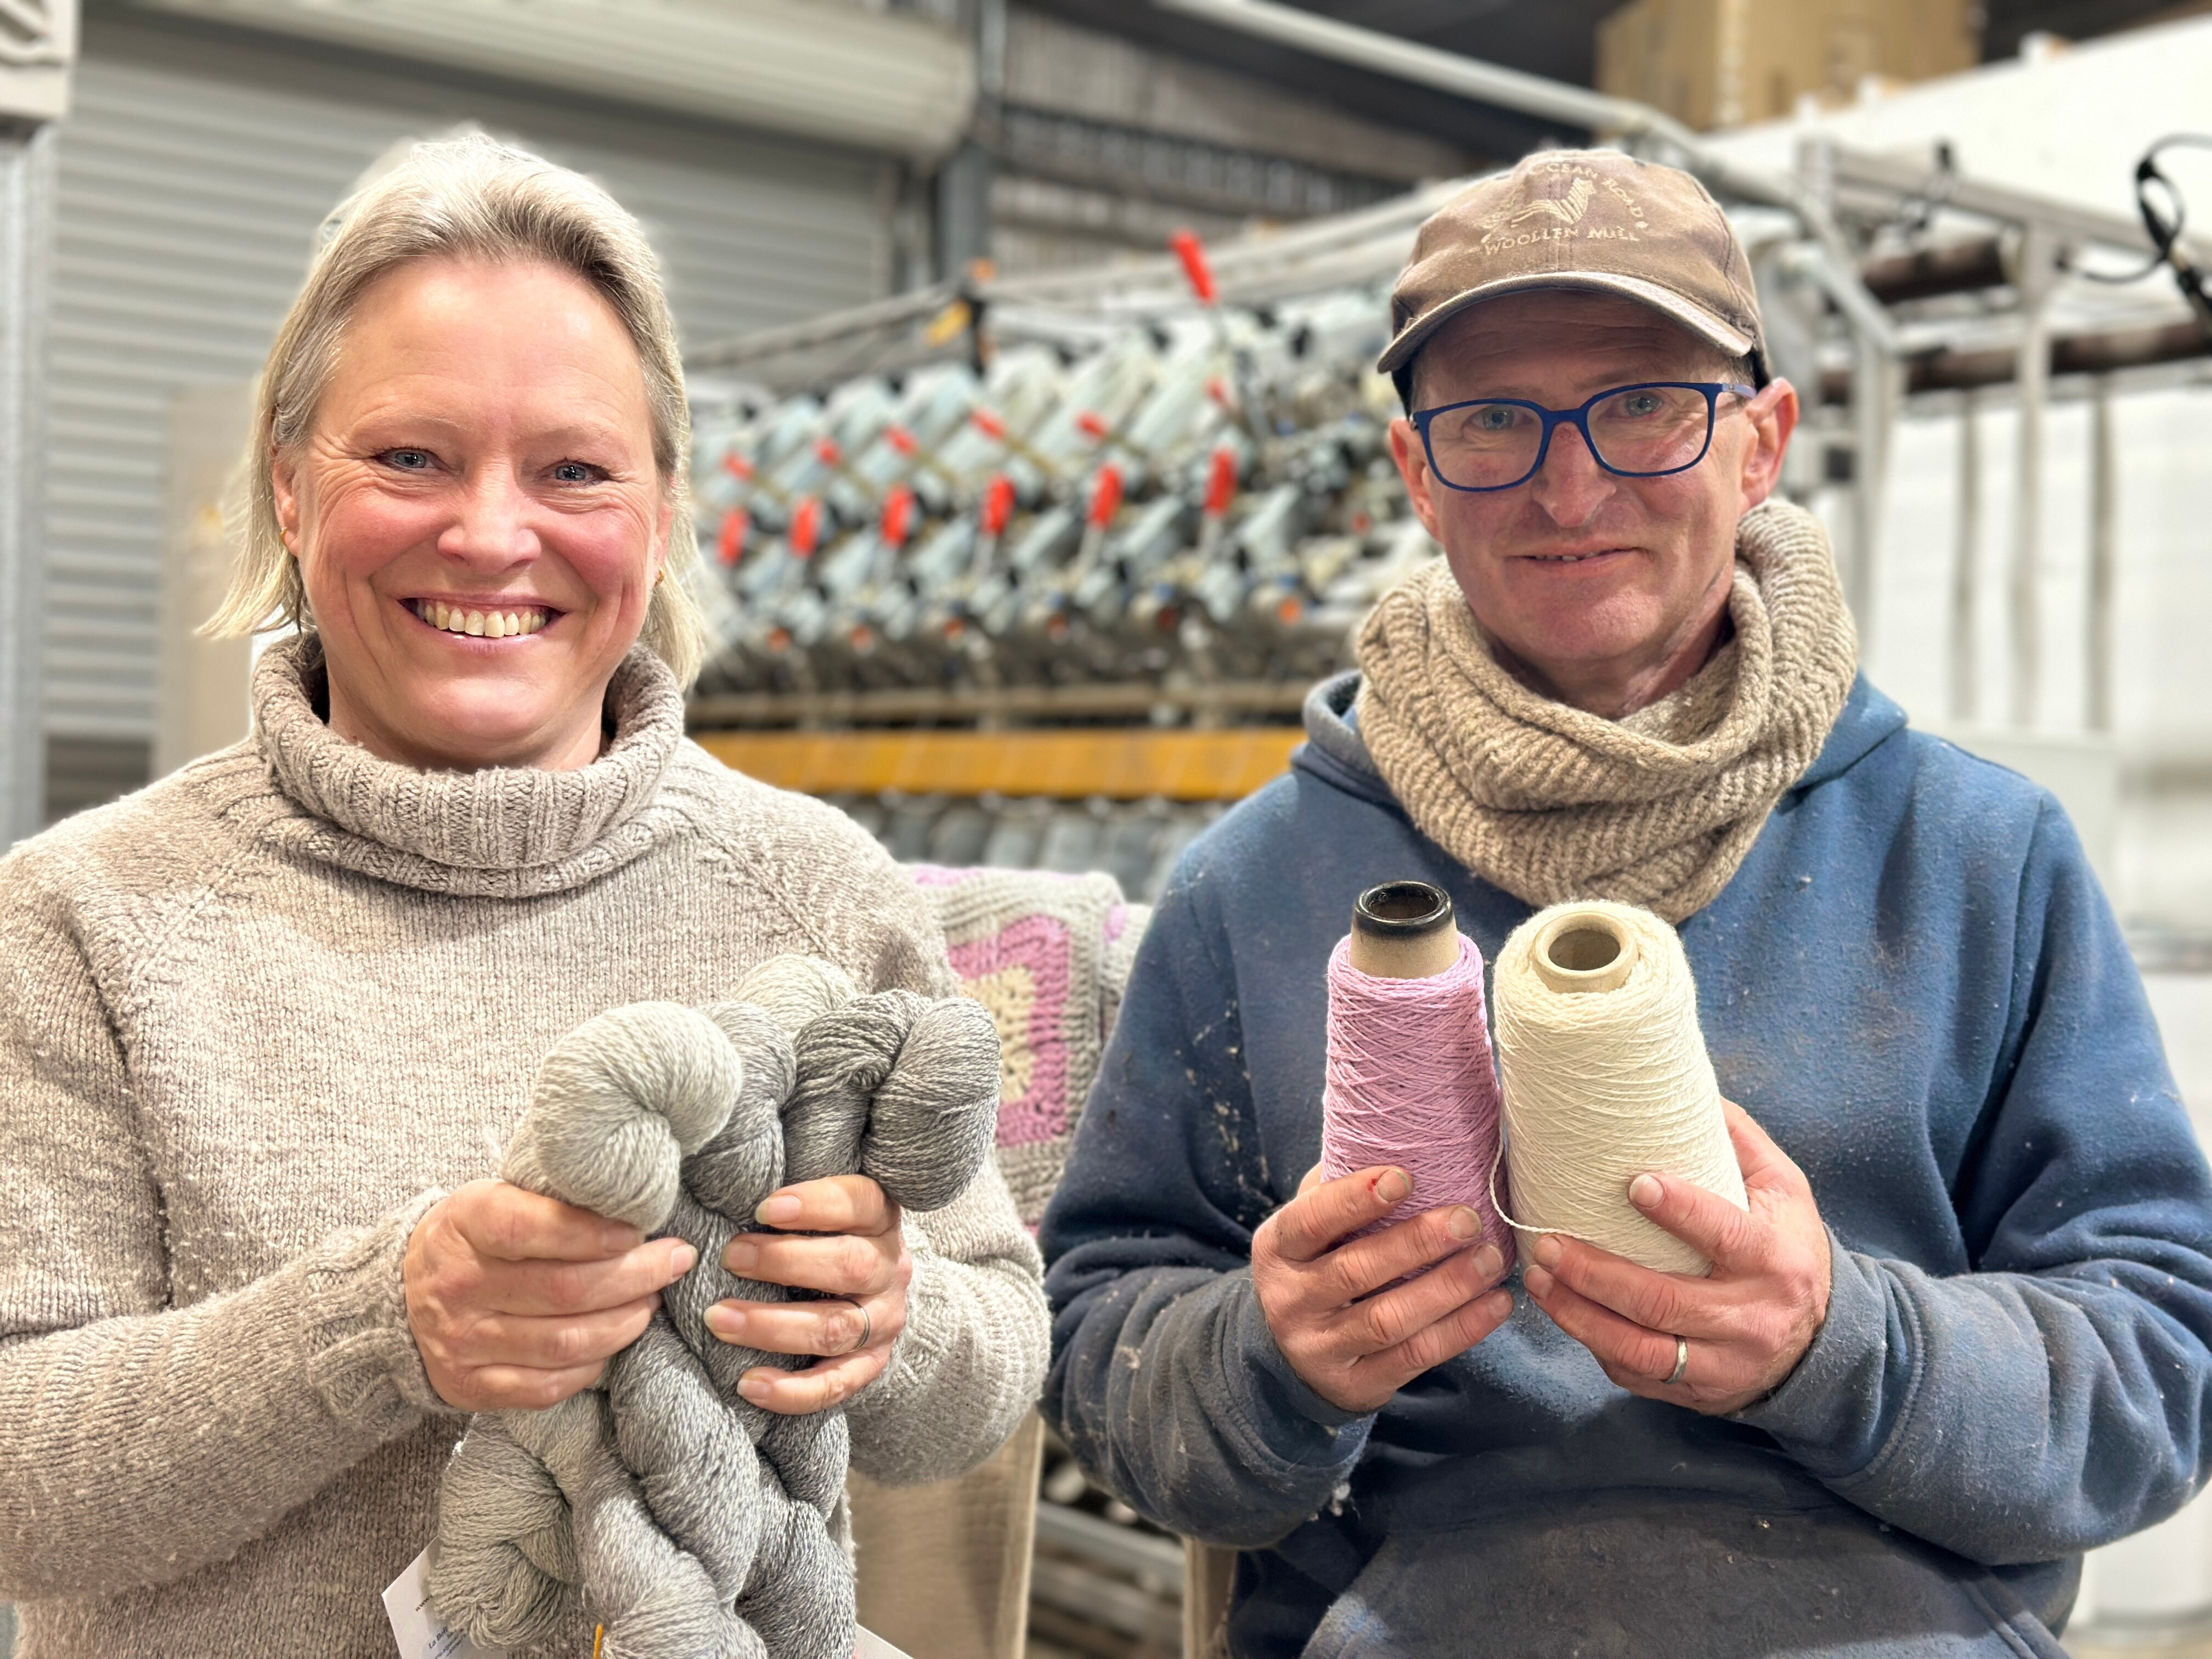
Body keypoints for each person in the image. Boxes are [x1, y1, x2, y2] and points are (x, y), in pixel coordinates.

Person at [1040, 149, 2212, 1659]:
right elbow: (1104, 1348)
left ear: (1763, 440)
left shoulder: (1980, 858)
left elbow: (2162, 1372)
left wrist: (1839, 1345)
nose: (1570, 484)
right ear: (1415, 472)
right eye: (1492, 422)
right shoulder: (1252, 893)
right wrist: (1272, 1362)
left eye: (1645, 405)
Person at [0, 136, 1047, 1658]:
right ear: (292, 493)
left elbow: (994, 1348)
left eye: (574, 470)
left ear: (664, 511)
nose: (493, 535)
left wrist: (886, 1324)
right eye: (410, 458)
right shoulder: (83, 922)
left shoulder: (819, 894)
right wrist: (381, 1326)